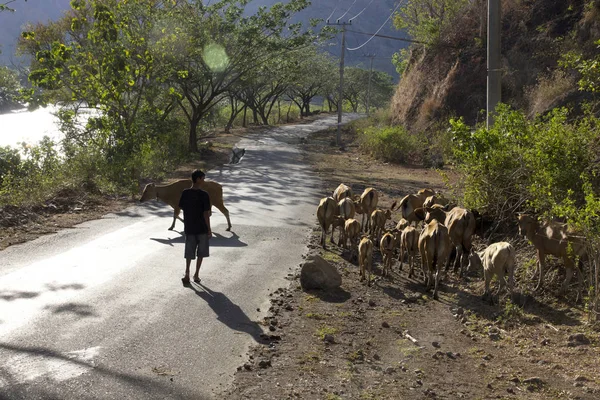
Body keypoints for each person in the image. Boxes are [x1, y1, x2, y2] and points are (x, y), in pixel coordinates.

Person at [178, 169, 212, 286]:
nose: (204, 181)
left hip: (189, 228)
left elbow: (182, 207)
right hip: (202, 228)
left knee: (189, 252)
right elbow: (206, 214)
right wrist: (209, 230)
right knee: (201, 253)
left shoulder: (185, 193)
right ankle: (196, 274)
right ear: (198, 179)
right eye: (203, 178)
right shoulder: (204, 195)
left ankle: (187, 272)